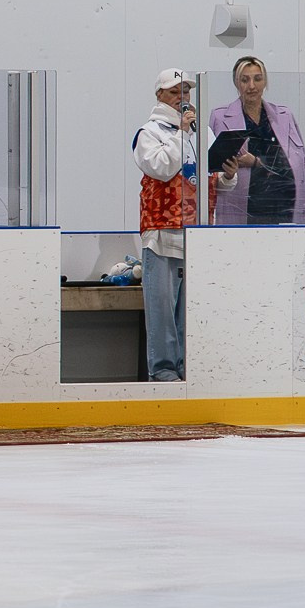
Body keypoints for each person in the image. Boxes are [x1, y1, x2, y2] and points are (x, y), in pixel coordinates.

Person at [133, 68, 235, 382]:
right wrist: (181, 133)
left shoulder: (201, 133)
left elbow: (212, 181)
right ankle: (163, 373)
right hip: (163, 233)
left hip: (197, 235)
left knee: (188, 313)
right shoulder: (149, 132)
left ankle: (187, 372)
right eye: (175, 92)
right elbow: (161, 169)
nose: (183, 98)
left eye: (186, 92)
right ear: (160, 95)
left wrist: (228, 173)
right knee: (163, 313)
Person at [206, 56, 305, 226]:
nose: (252, 86)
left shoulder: (284, 116)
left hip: (283, 205)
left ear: (265, 81)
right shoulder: (220, 116)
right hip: (243, 207)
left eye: (258, 79)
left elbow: (299, 160)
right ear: (237, 84)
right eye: (245, 80)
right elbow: (211, 166)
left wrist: (255, 162)